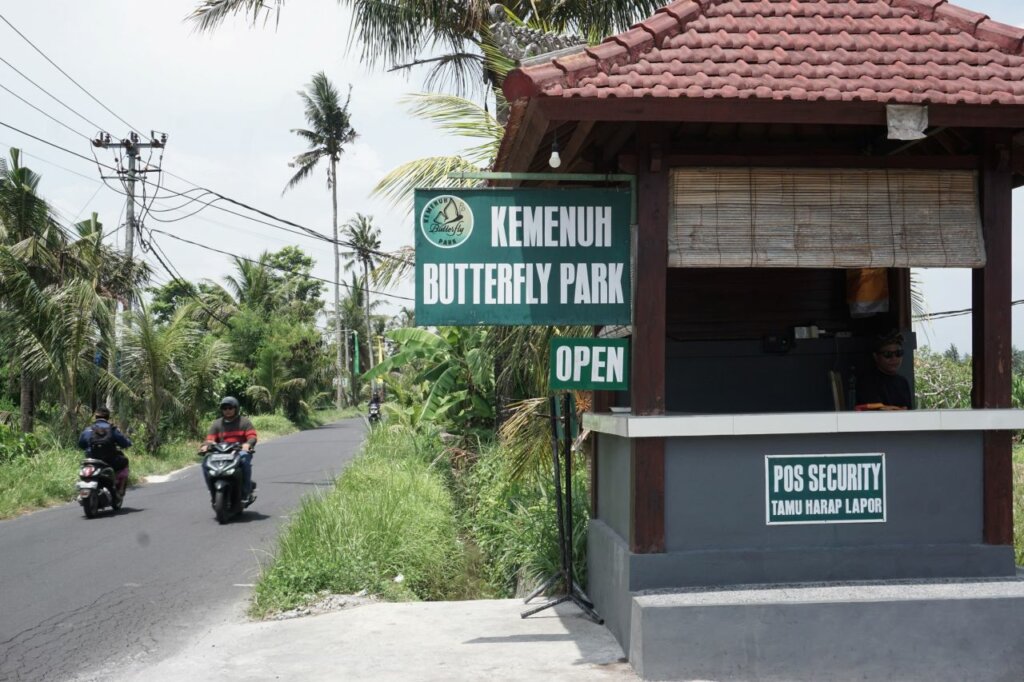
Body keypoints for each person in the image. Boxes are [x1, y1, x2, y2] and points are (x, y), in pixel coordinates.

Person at [200, 396, 258, 502]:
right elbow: (209, 439)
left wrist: (247, 445)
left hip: (239, 452)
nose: (227, 411)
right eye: (225, 408)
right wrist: (205, 446)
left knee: (244, 459)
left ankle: (246, 492)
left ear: (236, 408)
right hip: (220, 452)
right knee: (205, 462)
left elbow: (252, 436)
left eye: (230, 408)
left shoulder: (244, 422)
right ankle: (211, 489)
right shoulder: (217, 424)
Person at [78, 406, 132, 497]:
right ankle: (120, 489)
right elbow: (124, 443)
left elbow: (81, 444)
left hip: (91, 460)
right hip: (109, 461)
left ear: (95, 417)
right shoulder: (112, 429)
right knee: (125, 461)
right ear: (108, 417)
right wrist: (128, 443)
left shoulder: (88, 430)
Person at [855, 330, 914, 409]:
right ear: (876, 357)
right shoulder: (867, 382)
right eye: (887, 354)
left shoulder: (903, 382)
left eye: (898, 353)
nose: (894, 358)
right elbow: (875, 412)